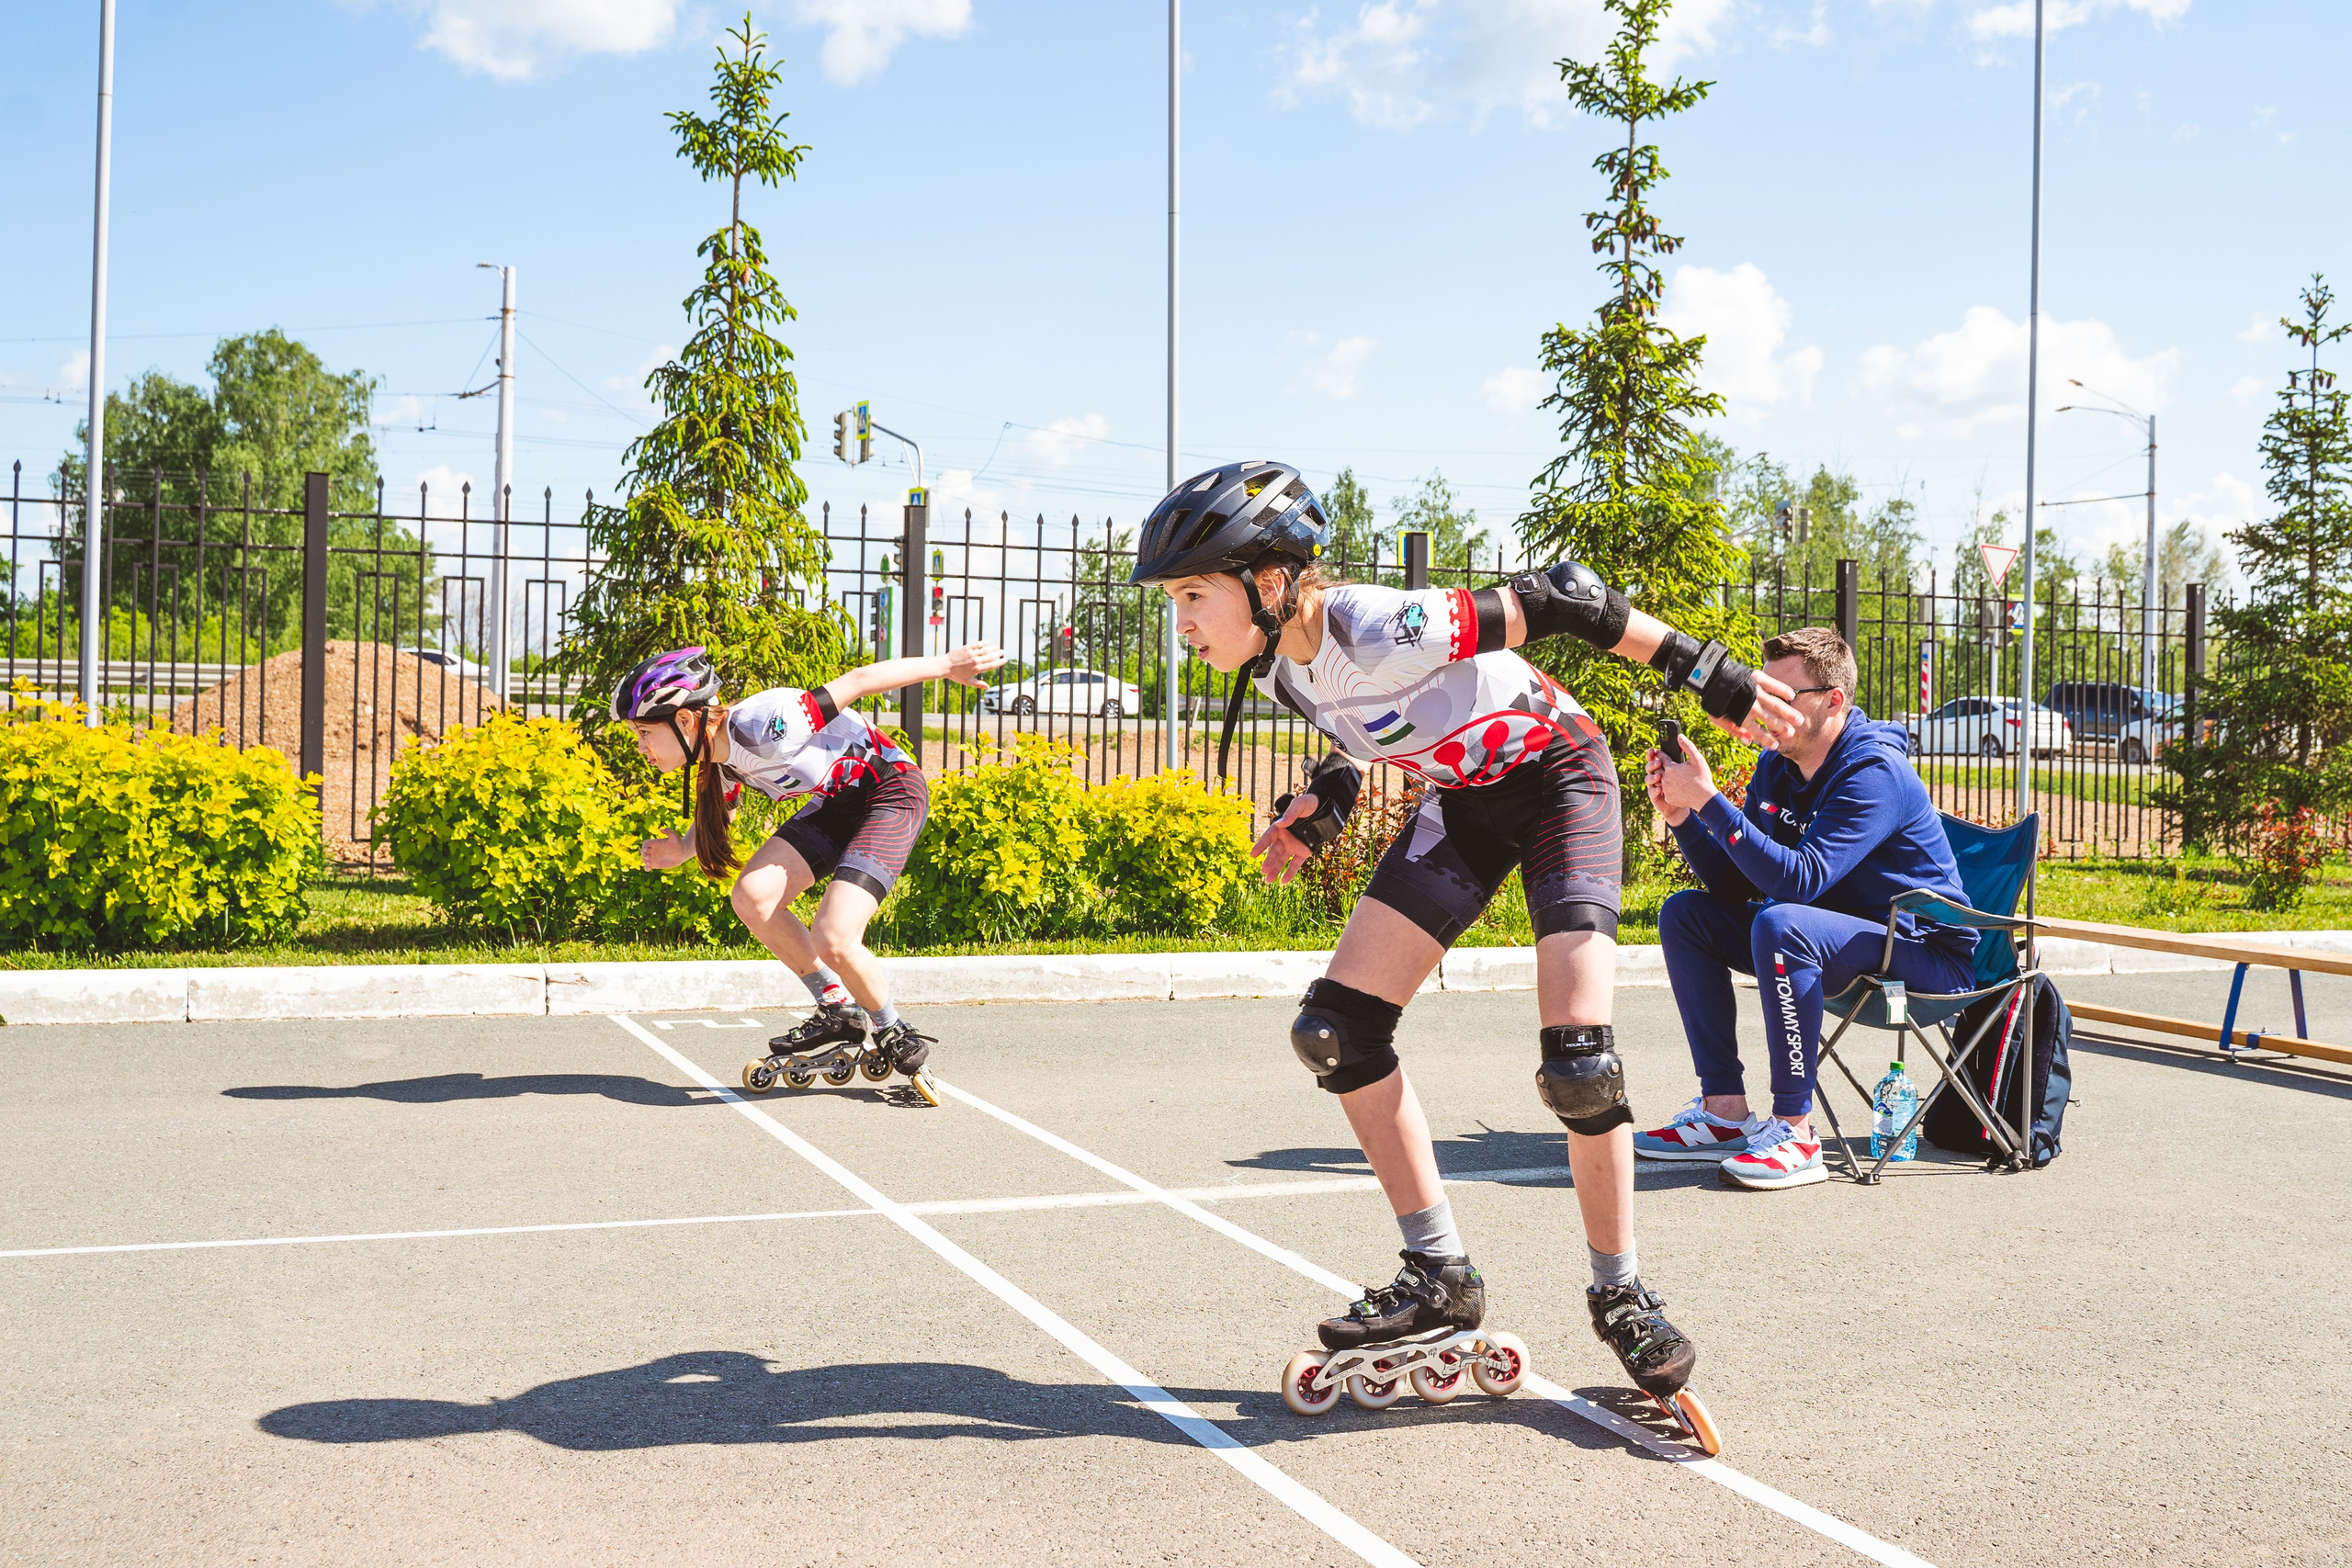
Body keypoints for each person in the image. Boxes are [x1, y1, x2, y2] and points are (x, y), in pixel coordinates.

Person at [1132, 459, 1802, 1426]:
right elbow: (1367, 730)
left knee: (1579, 1063)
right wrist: (1326, 800)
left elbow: (1567, 596)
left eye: (1194, 595)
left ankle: (1621, 1291)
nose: (1183, 622)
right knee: (1337, 1033)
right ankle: (1437, 1271)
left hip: (1562, 781)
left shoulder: (1375, 623)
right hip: (1472, 803)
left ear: (1271, 584)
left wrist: (1709, 671)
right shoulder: (1279, 663)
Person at [1635, 626, 1978, 1189]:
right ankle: (1724, 1113)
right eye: (1761, 692)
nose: (1766, 710)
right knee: (1686, 915)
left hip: (1924, 952)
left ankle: (1795, 1130)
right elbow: (1735, 884)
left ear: (1833, 701)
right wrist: (1683, 818)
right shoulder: (1778, 765)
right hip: (1840, 936)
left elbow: (1798, 882)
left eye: (1784, 697)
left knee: (1782, 922)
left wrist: (1709, 799)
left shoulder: (1874, 772)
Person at [613, 640, 1005, 1105]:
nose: (640, 748)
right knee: (753, 897)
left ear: (684, 720)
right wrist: (682, 848)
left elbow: (858, 682)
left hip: (890, 792)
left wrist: (946, 665)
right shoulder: (715, 758)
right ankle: (838, 1007)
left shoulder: (767, 725)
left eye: (643, 733)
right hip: (838, 804)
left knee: (834, 936)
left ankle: (894, 1029)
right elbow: (723, 814)